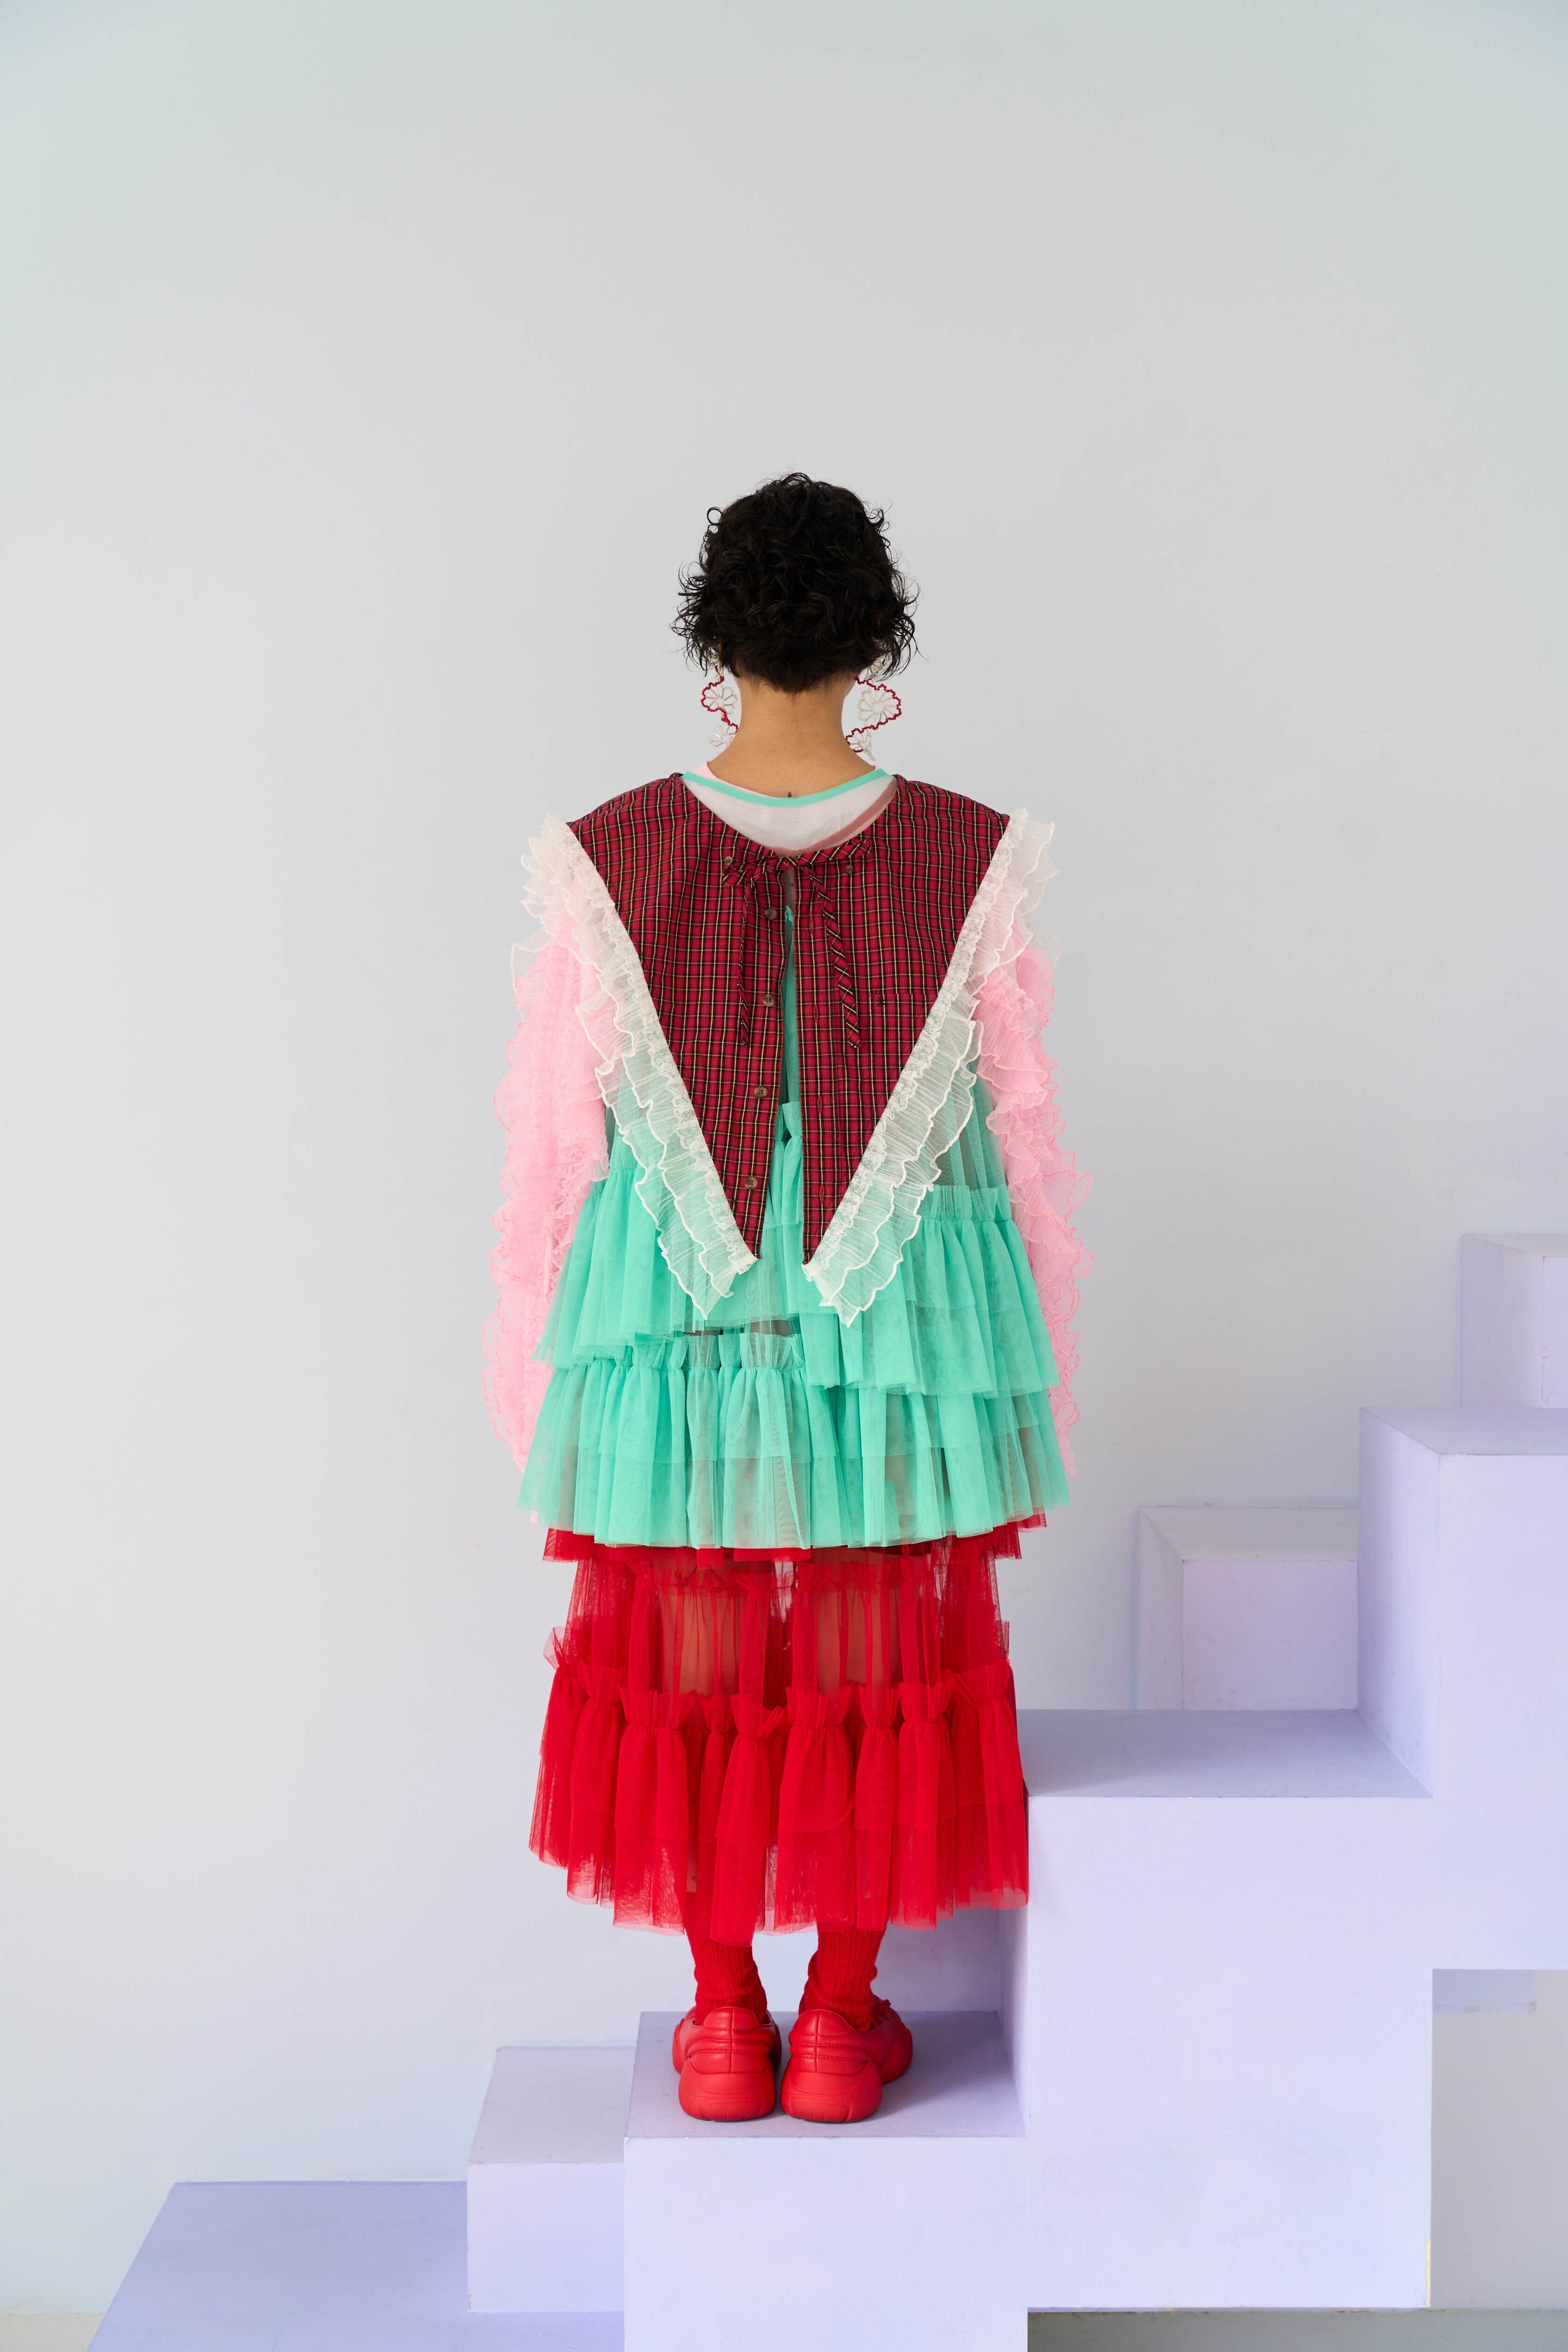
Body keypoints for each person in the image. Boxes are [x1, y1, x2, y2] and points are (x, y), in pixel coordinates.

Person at [486, 474, 1086, 2123]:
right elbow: (1018, 1123)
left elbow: (556, 1139)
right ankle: (836, 2020)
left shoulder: (607, 856)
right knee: (871, 1632)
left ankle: (721, 2020)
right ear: (877, 638)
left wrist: (551, 1343)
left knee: (692, 1631)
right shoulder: (969, 854)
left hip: (683, 1308)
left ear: (715, 635)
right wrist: (1013, 1335)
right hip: (895, 1306)